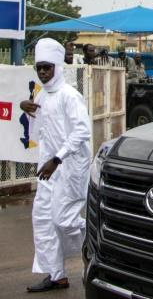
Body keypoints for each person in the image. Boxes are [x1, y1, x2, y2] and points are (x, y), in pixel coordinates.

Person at [20, 39, 91, 293]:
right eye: (39, 68)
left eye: (47, 68)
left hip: (69, 167)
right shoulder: (42, 94)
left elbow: (82, 132)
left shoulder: (70, 95)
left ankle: (96, 245)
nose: (42, 72)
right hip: (48, 168)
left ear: (57, 67)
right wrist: (26, 109)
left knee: (64, 220)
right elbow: (39, 131)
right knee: (43, 220)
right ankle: (57, 275)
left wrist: (58, 159)